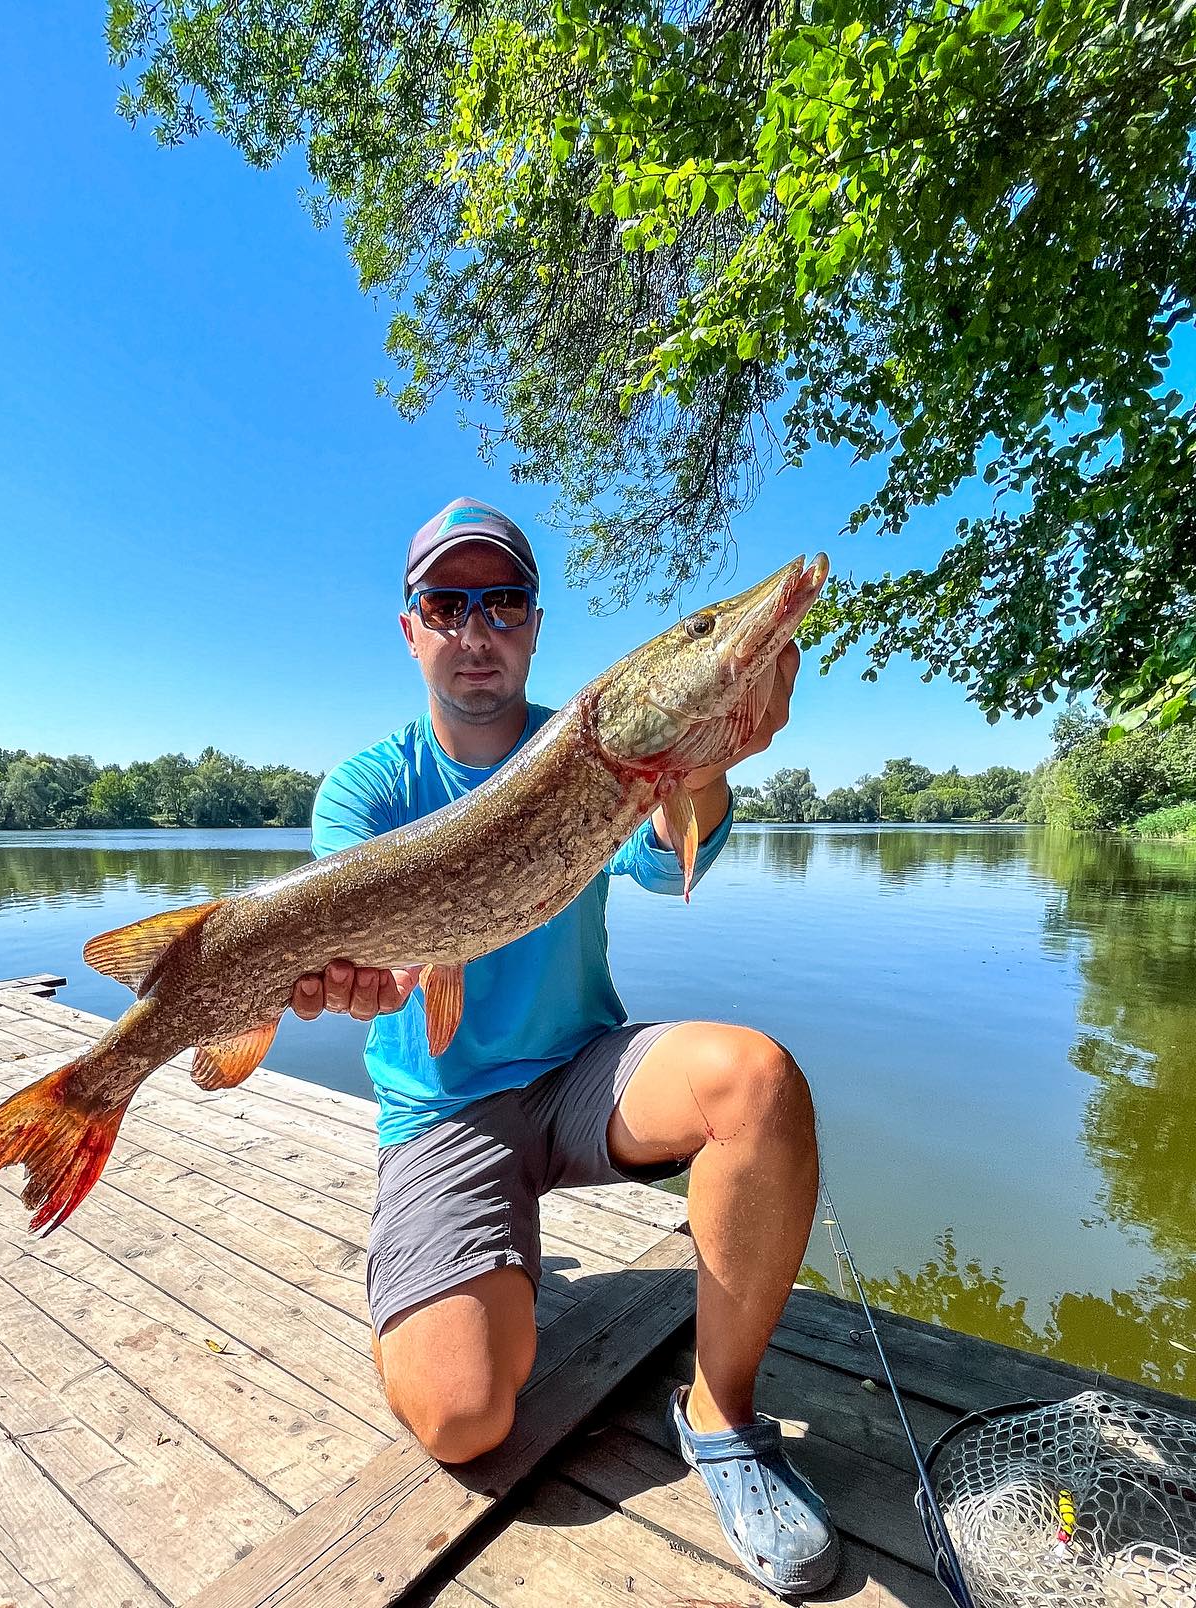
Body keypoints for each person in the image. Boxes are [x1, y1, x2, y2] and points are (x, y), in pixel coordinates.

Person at [292, 497, 838, 1596]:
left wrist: (703, 760)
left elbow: (672, 860)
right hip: (445, 1111)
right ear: (412, 631)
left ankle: (722, 1418)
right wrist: (339, 981)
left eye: (503, 601)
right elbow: (353, 962)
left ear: (535, 625)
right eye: (447, 603)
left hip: (588, 1075)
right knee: (461, 1417)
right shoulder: (365, 790)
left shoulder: (586, 745)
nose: (476, 625)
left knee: (756, 1081)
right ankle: (439, 1261)